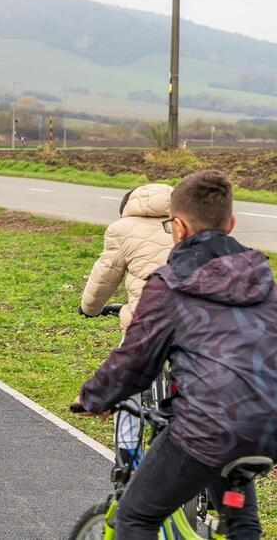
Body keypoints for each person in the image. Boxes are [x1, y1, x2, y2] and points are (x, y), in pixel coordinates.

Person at [73, 170, 276, 540]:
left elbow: (135, 360)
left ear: (178, 228)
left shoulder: (170, 283)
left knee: (134, 517)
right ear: (230, 223)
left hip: (209, 427)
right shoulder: (261, 276)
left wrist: (93, 398)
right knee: (242, 523)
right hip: (268, 423)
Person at [80, 183, 174, 463]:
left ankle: (127, 458)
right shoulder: (187, 222)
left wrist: (90, 308)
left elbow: (105, 277)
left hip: (144, 322)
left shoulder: (121, 229)